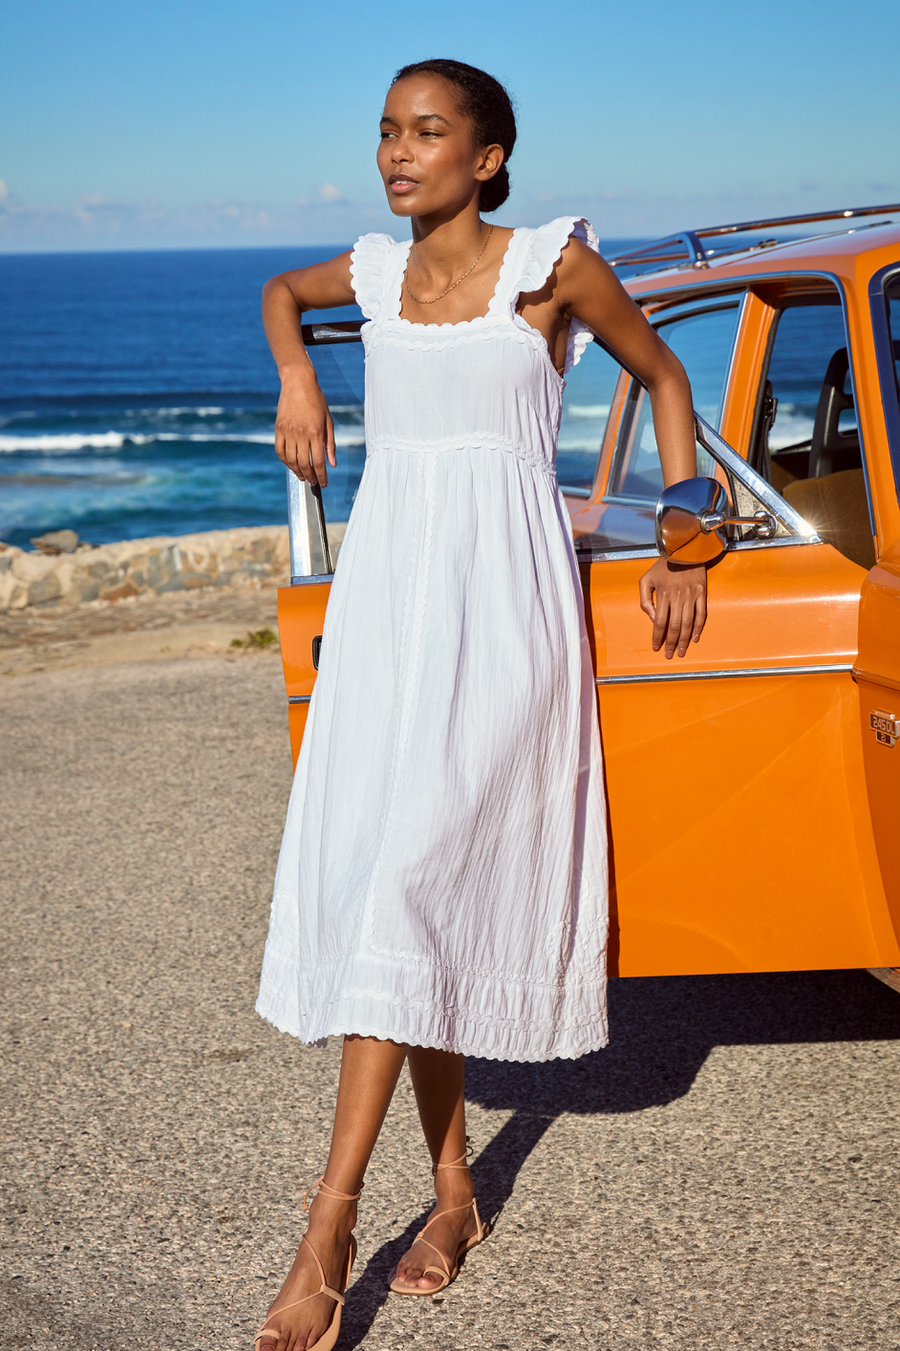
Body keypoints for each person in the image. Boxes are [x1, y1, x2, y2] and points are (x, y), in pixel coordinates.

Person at [254, 57, 706, 1351]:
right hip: (391, 610)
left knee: (408, 887)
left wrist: (685, 521)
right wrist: (298, 375)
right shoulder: (375, 274)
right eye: (388, 131)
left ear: (488, 155)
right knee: (414, 902)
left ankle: (326, 1225)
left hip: (505, 615)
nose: (400, 153)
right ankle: (452, 1192)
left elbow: (663, 378)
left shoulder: (548, 266)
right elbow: (282, 294)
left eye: (428, 131)